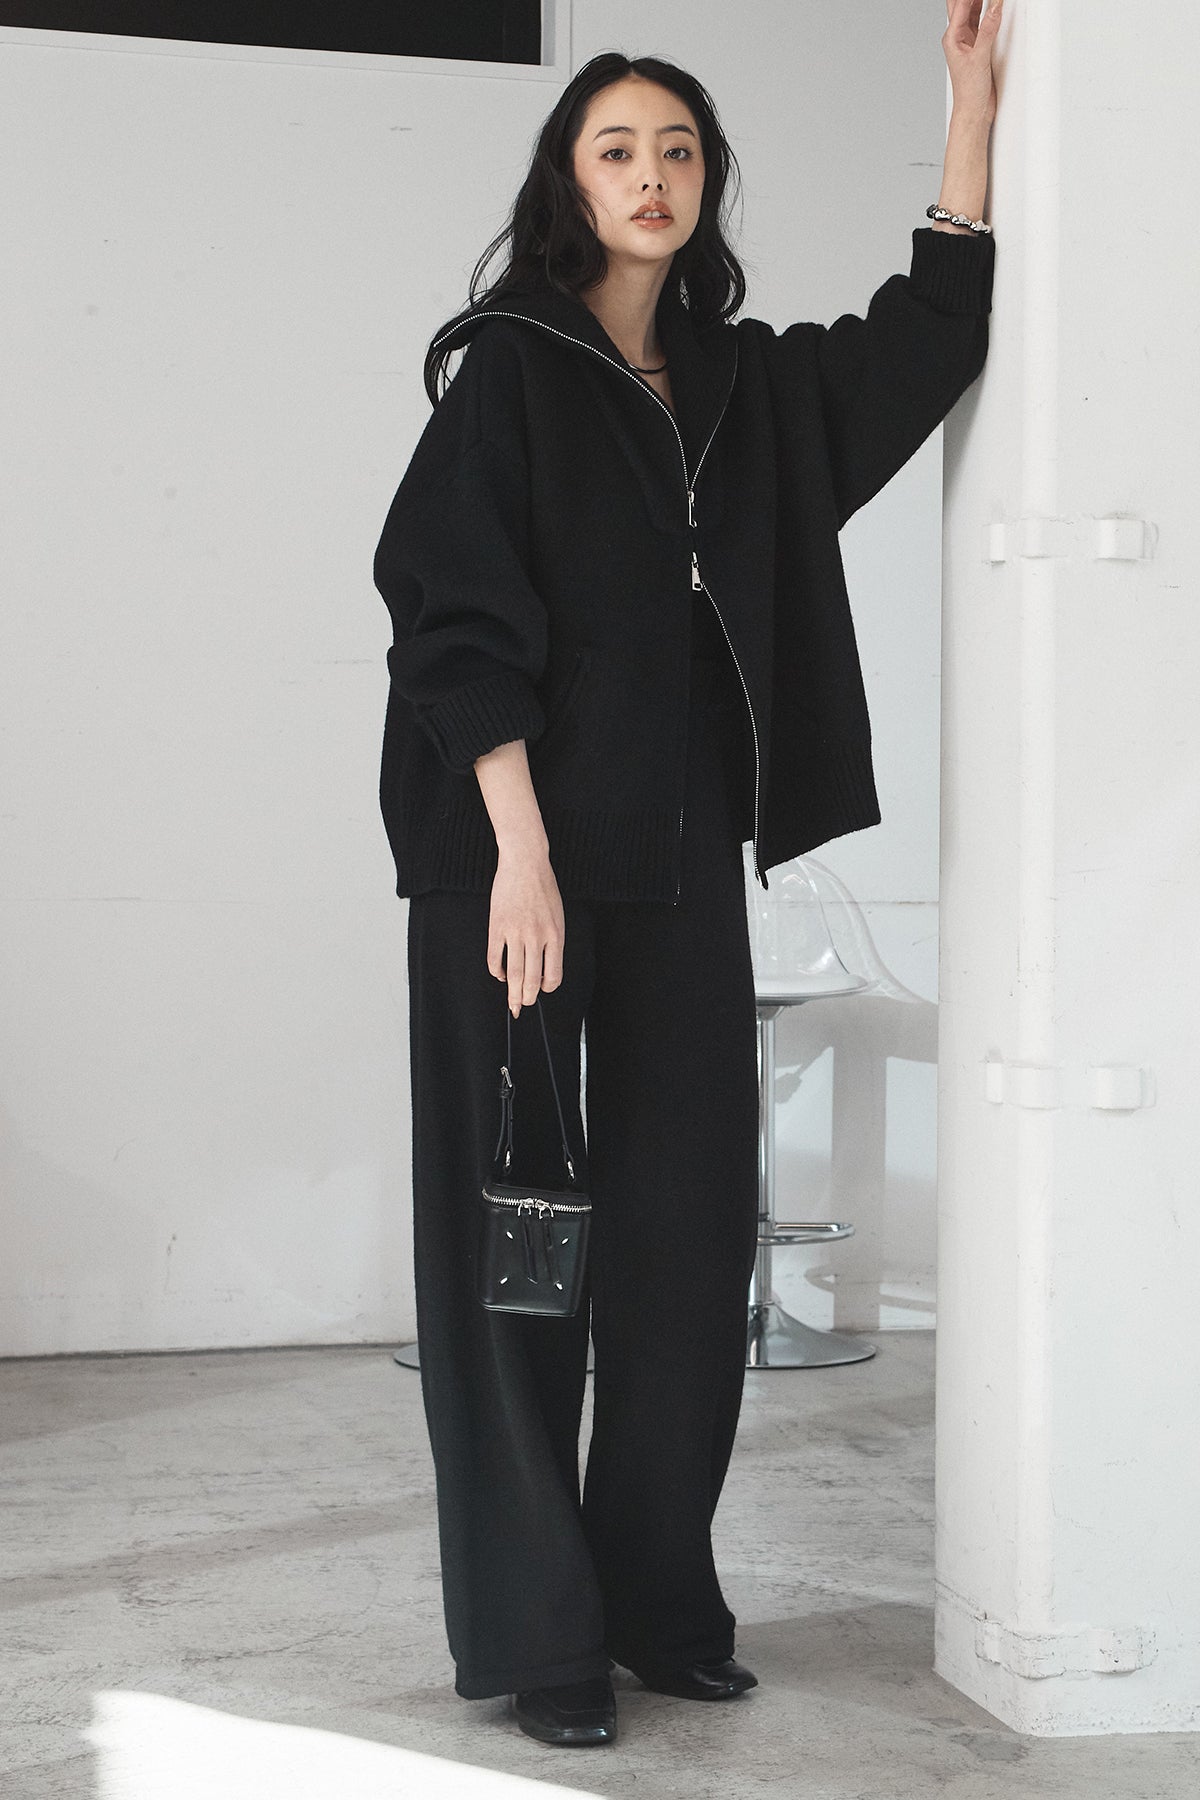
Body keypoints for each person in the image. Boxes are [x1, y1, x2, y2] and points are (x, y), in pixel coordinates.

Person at [374, 6, 1001, 1751]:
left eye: (678, 150)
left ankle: (655, 1600)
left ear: (707, 181)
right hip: (503, 863)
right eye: (616, 149)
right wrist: (519, 853)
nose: (650, 176)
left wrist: (971, 113)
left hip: (671, 860)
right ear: (568, 182)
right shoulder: (512, 366)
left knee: (680, 1235)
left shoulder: (743, 388)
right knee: (517, 1246)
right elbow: (448, 611)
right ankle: (541, 1635)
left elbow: (926, 341)